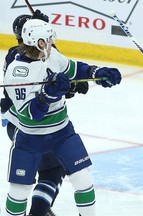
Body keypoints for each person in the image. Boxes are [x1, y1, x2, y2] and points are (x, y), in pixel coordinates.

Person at [3, 18, 121, 216]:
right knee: (19, 191)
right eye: (47, 39)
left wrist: (97, 73)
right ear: (37, 41)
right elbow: (31, 115)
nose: (51, 42)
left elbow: (74, 69)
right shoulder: (17, 74)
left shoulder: (51, 55)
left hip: (62, 132)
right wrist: (49, 94)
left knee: (84, 180)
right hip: (30, 138)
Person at [1, 11, 88, 216]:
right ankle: (38, 212)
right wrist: (71, 88)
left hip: (15, 123)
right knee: (51, 171)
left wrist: (72, 85)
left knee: (43, 171)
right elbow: (46, 90)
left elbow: (56, 75)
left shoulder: (16, 54)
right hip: (31, 124)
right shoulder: (27, 60)